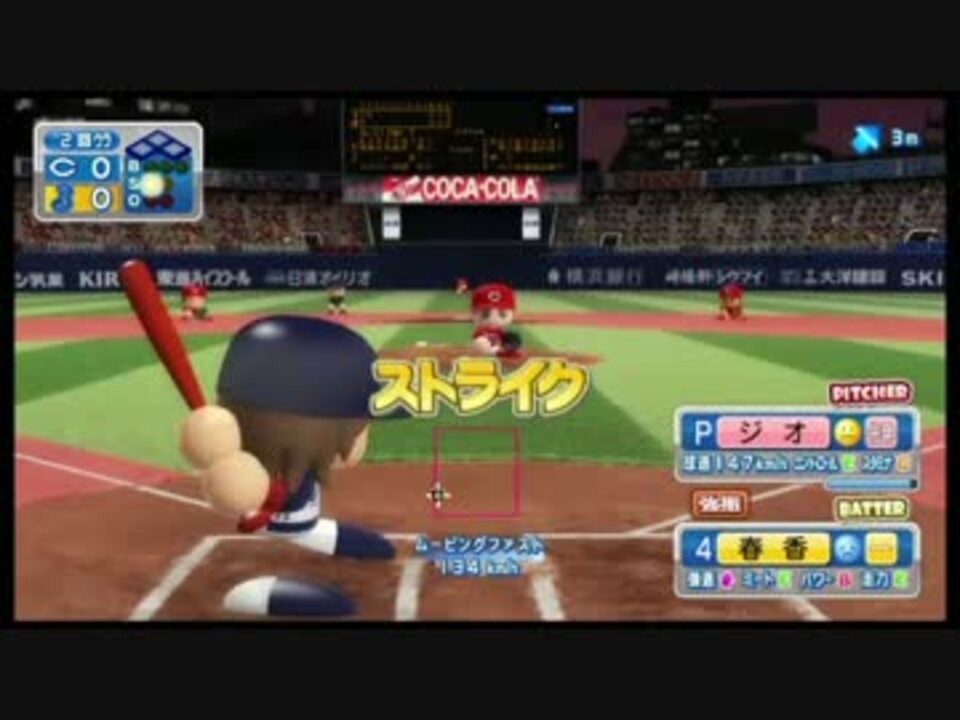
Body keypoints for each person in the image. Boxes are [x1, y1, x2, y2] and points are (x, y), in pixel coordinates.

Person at [179, 316, 396, 616]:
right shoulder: (269, 466)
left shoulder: (303, 455)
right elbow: (242, 499)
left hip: (289, 509)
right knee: (277, 503)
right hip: (268, 513)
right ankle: (277, 551)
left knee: (298, 506)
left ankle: (302, 528)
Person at [471, 283, 523, 358]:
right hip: (487, 351)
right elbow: (478, 339)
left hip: (497, 350)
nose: (493, 320)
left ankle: (506, 351)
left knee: (512, 337)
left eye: (502, 315)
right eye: (485, 315)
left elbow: (504, 338)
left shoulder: (500, 331)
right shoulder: (482, 331)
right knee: (481, 342)